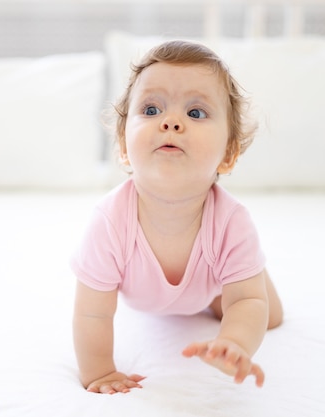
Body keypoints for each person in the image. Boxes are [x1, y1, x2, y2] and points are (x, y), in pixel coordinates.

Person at [71, 40, 283, 395]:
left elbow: (248, 303)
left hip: (211, 279)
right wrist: (99, 372)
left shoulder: (232, 222)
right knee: (237, 295)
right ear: (123, 148)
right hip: (146, 292)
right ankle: (232, 273)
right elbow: (92, 313)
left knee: (268, 314)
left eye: (195, 113)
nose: (170, 122)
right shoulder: (109, 222)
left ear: (227, 155)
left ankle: (242, 269)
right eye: (151, 109)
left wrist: (234, 342)